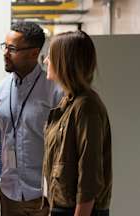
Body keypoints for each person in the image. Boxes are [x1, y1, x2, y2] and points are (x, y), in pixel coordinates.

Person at [0, 22, 63, 216]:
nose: (5, 53)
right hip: (9, 195)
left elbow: (62, 149)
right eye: (5, 46)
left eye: (12, 49)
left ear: (33, 53)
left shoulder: (55, 92)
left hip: (44, 197)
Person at [42, 30, 112, 216]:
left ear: (64, 62)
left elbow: (89, 174)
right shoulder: (68, 103)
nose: (45, 61)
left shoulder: (86, 106)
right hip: (62, 207)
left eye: (50, 56)